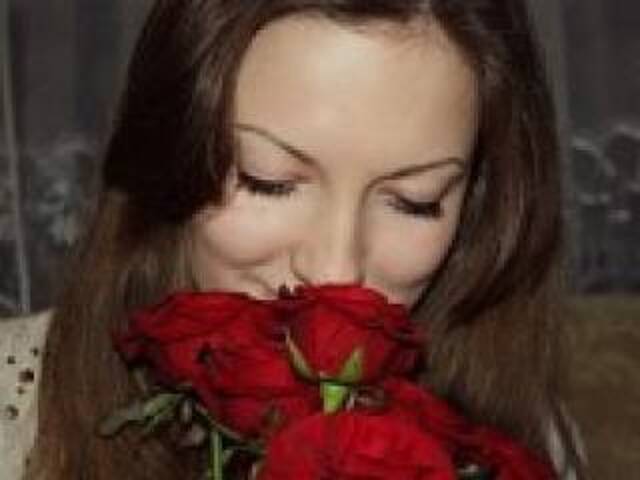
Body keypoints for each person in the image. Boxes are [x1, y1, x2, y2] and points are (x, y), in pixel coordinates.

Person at [0, 0, 587, 478]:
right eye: (269, 181)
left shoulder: (523, 441)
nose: (336, 270)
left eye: (415, 200)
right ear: (169, 154)